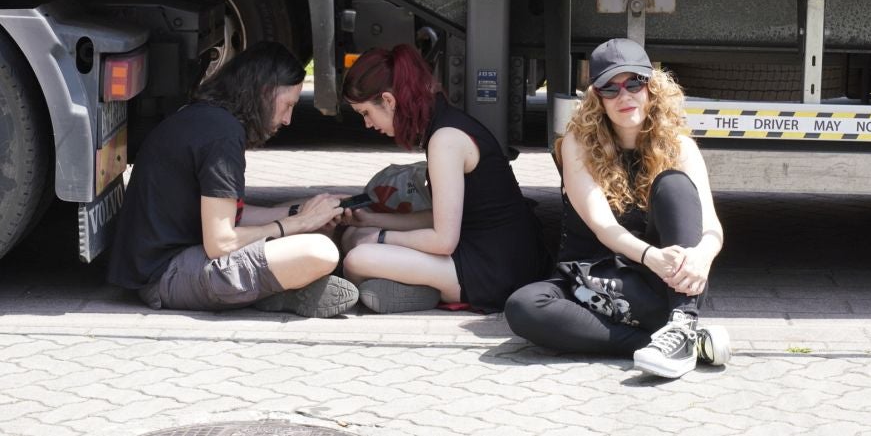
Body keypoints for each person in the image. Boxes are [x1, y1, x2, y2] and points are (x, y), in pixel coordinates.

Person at [504, 38, 731, 379]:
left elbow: (712, 227)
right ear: (597, 98)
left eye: (634, 83)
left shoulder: (681, 147)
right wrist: (649, 255)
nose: (624, 96)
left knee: (673, 184)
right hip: (589, 280)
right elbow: (603, 226)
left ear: (651, 87)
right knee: (523, 307)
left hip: (659, 284)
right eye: (610, 88)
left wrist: (702, 257)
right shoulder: (576, 145)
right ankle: (663, 342)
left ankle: (682, 322)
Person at [107, 42, 358, 318]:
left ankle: (275, 289)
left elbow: (230, 216)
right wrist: (296, 223)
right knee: (319, 250)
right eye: (288, 105)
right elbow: (221, 242)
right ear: (264, 92)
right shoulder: (223, 137)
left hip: (163, 264)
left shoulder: (208, 119)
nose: (288, 119)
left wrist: (304, 210)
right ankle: (273, 292)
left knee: (312, 232)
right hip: (166, 276)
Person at [339, 44, 552, 314]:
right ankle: (411, 287)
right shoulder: (444, 124)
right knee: (354, 236)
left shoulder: (444, 140)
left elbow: (443, 241)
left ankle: (422, 291)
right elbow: (442, 217)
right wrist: (372, 221)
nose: (367, 123)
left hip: (492, 269)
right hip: (494, 253)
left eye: (366, 113)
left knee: (358, 256)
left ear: (389, 101)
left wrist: (381, 238)